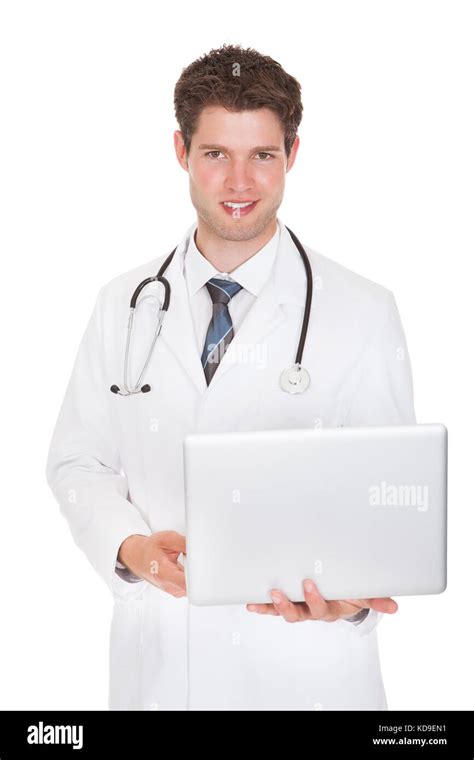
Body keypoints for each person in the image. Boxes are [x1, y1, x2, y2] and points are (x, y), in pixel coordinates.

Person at [45, 43, 416, 710]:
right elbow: (77, 461)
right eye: (217, 154)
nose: (239, 182)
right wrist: (130, 547)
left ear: (292, 156)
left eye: (262, 155)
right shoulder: (122, 304)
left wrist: (350, 602)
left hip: (307, 680)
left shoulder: (363, 311)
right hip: (161, 676)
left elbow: (388, 495)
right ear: (182, 152)